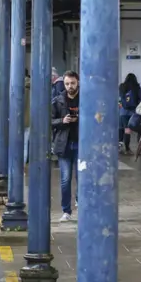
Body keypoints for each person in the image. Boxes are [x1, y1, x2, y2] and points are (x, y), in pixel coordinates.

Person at [50, 70, 80, 220]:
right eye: (67, 84)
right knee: (65, 179)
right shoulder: (58, 100)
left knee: (81, 177)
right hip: (64, 144)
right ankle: (66, 211)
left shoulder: (85, 99)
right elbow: (49, 120)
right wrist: (62, 121)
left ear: (78, 82)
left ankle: (80, 202)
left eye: (72, 83)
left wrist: (80, 118)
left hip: (81, 144)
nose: (70, 86)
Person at [119, 73, 141, 153]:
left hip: (123, 112)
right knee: (138, 129)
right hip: (133, 113)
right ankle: (136, 148)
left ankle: (124, 148)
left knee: (125, 130)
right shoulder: (137, 87)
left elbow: (120, 98)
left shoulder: (122, 87)